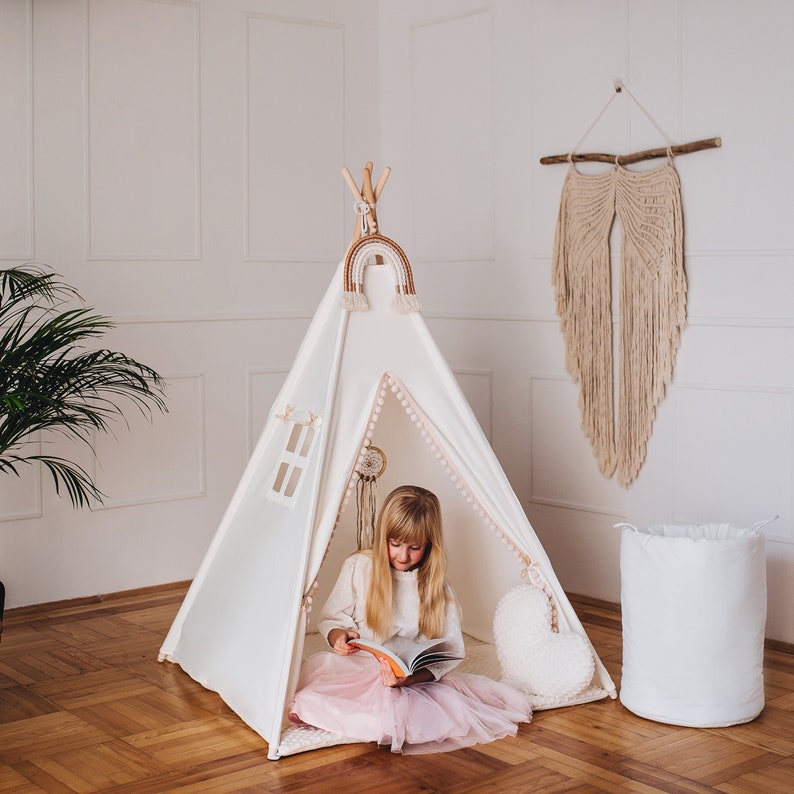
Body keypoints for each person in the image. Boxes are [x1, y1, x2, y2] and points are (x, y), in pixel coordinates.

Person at [288, 485, 532, 754]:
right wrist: (339, 638)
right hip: (357, 670)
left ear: (429, 545)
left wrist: (408, 680)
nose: (403, 556)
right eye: (395, 544)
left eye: (414, 547)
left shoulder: (437, 588)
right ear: (383, 536)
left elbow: (448, 654)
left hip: (410, 683)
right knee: (308, 700)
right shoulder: (359, 567)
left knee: (424, 721)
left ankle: (390, 714)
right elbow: (333, 618)